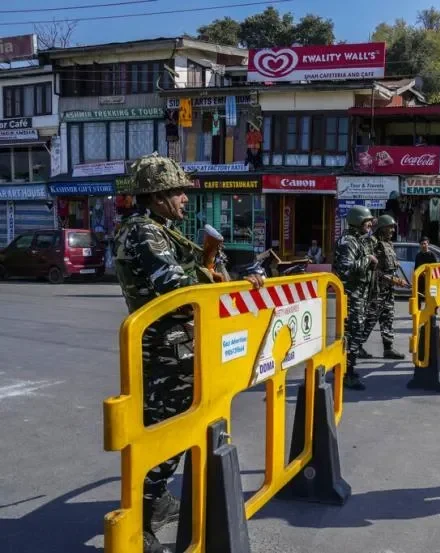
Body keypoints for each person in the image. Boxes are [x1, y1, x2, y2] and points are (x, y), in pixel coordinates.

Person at [113, 153, 265, 553]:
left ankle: (156, 503)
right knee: (161, 439)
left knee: (178, 435)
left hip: (180, 350)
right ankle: (138, 528)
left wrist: (228, 274)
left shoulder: (161, 230)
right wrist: (217, 281)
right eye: (178, 191)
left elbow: (198, 276)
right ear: (157, 195)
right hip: (163, 353)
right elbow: (180, 293)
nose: (184, 198)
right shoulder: (143, 233)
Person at [333, 205, 378, 391]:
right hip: (351, 296)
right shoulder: (348, 241)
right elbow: (345, 269)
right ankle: (346, 374)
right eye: (367, 221)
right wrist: (368, 260)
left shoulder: (359, 240)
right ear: (358, 221)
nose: (369, 225)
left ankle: (347, 369)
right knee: (351, 335)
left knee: (355, 334)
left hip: (360, 294)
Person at [362, 214, 408, 359]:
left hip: (388, 290)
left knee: (388, 318)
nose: (393, 231)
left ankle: (388, 348)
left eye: (393, 228)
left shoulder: (389, 243)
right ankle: (357, 346)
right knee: (370, 318)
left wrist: (395, 277)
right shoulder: (373, 243)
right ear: (382, 228)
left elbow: (390, 266)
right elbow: (371, 268)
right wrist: (389, 278)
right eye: (390, 227)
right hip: (377, 289)